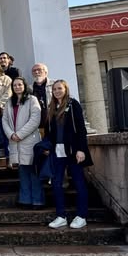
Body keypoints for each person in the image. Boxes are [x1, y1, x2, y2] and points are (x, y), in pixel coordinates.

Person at [45, 80, 93, 230]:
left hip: (73, 151)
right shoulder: (51, 107)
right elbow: (49, 131)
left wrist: (81, 149)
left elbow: (81, 128)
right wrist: (47, 146)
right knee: (56, 183)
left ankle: (81, 216)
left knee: (79, 182)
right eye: (54, 89)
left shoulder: (73, 104)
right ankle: (61, 216)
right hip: (57, 151)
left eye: (60, 88)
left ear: (66, 89)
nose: (57, 91)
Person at [2, 77, 44, 209]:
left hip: (29, 140)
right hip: (15, 142)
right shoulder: (9, 102)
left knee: (34, 171)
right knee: (23, 172)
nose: (17, 87)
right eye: (15, 85)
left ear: (25, 86)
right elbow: (4, 120)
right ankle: (25, 200)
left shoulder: (32, 100)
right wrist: (11, 134)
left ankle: (37, 200)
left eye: (20, 84)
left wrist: (19, 134)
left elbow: (35, 120)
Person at [31, 63, 55, 134]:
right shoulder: (29, 89)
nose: (36, 72)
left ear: (46, 72)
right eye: (34, 71)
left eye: (39, 70)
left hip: (53, 123)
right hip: (37, 127)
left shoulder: (54, 85)